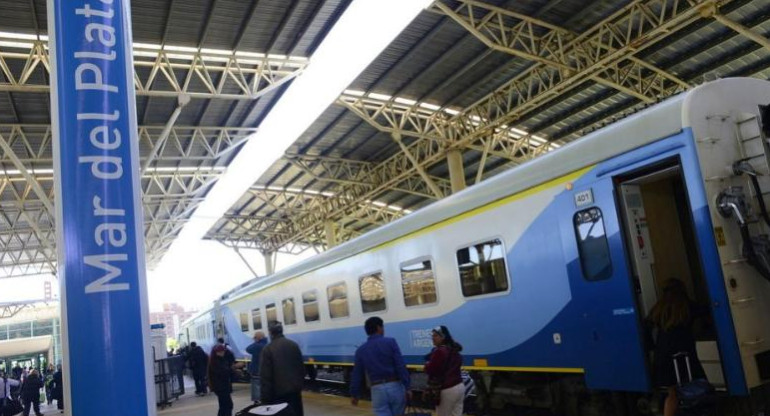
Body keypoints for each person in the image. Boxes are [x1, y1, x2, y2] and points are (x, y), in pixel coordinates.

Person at [647, 278, 707, 416]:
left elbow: (646, 328)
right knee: (695, 388)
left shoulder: (658, 308)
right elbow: (705, 310)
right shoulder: (686, 306)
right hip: (683, 357)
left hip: (663, 358)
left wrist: (652, 347)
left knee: (672, 395)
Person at [350, 317, 410, 416]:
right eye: (383, 327)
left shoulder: (361, 350)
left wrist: (354, 394)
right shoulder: (391, 342)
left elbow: (357, 374)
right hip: (395, 386)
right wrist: (407, 387)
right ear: (379, 328)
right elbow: (400, 366)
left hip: (377, 390)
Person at [260, 322, 305, 416]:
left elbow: (266, 376)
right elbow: (301, 368)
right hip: (295, 392)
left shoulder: (268, 349)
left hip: (278, 395)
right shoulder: (293, 345)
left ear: (270, 333)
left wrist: (265, 399)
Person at [424, 326, 464, 416]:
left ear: (443, 337)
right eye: (432, 335)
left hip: (447, 388)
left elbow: (431, 370)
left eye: (435, 336)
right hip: (459, 386)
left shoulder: (440, 351)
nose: (432, 338)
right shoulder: (454, 349)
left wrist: (427, 365)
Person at [209, 345, 234, 416]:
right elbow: (223, 372)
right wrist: (233, 368)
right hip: (221, 387)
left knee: (225, 406)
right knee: (227, 406)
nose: (222, 353)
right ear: (217, 352)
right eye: (221, 351)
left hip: (222, 386)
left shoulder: (218, 360)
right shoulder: (216, 361)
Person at [246, 331, 267, 404]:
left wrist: (256, 342)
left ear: (259, 338)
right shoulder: (267, 344)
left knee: (256, 385)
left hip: (257, 369)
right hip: (265, 369)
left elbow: (248, 349)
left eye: (255, 337)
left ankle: (258, 401)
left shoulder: (258, 346)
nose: (254, 339)